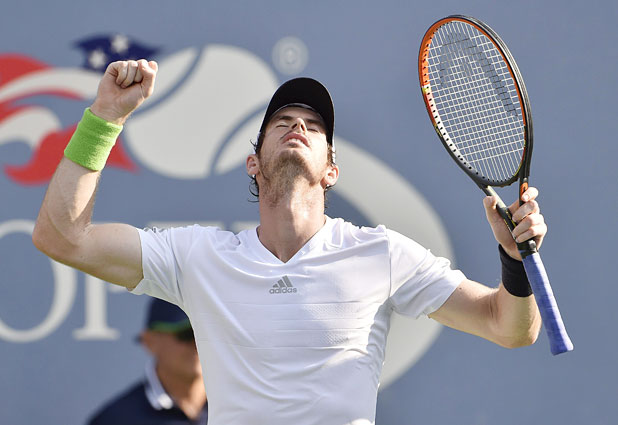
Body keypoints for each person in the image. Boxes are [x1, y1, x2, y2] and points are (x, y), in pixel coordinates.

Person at [33, 59, 546, 425]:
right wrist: (106, 117)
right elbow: (62, 237)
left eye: (314, 126)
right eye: (282, 121)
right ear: (253, 163)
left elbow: (509, 327)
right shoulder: (198, 258)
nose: (298, 124)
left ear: (331, 171)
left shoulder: (382, 253)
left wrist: (513, 259)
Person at [86, 298, 208, 425]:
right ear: (150, 341)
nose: (197, 344)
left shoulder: (225, 402)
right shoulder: (113, 420)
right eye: (187, 334)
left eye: (205, 335)